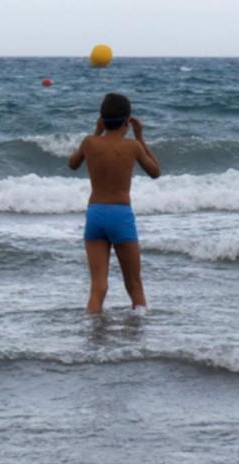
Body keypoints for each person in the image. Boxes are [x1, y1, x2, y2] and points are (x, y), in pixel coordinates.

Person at [69, 93, 161, 314]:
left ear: (101, 119)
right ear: (127, 121)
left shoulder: (89, 143)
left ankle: (91, 336)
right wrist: (140, 137)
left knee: (98, 287)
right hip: (120, 215)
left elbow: (73, 164)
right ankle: (140, 338)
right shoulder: (132, 146)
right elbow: (155, 172)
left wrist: (96, 133)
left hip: (95, 214)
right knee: (134, 285)